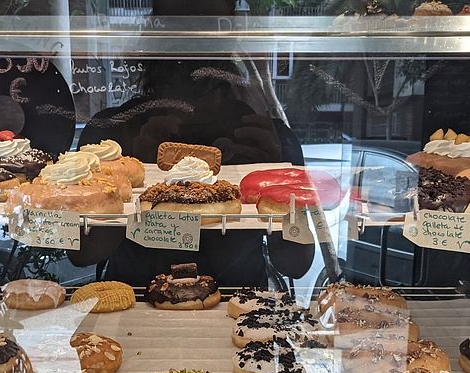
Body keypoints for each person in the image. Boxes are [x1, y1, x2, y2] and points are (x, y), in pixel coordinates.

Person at [69, 1, 315, 288]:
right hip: (135, 302)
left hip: (240, 305)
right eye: (179, 25)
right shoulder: (113, 135)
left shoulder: (261, 135)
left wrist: (272, 182)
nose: (192, 50)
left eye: (208, 26)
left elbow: (295, 263)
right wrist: (128, 187)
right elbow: (84, 253)